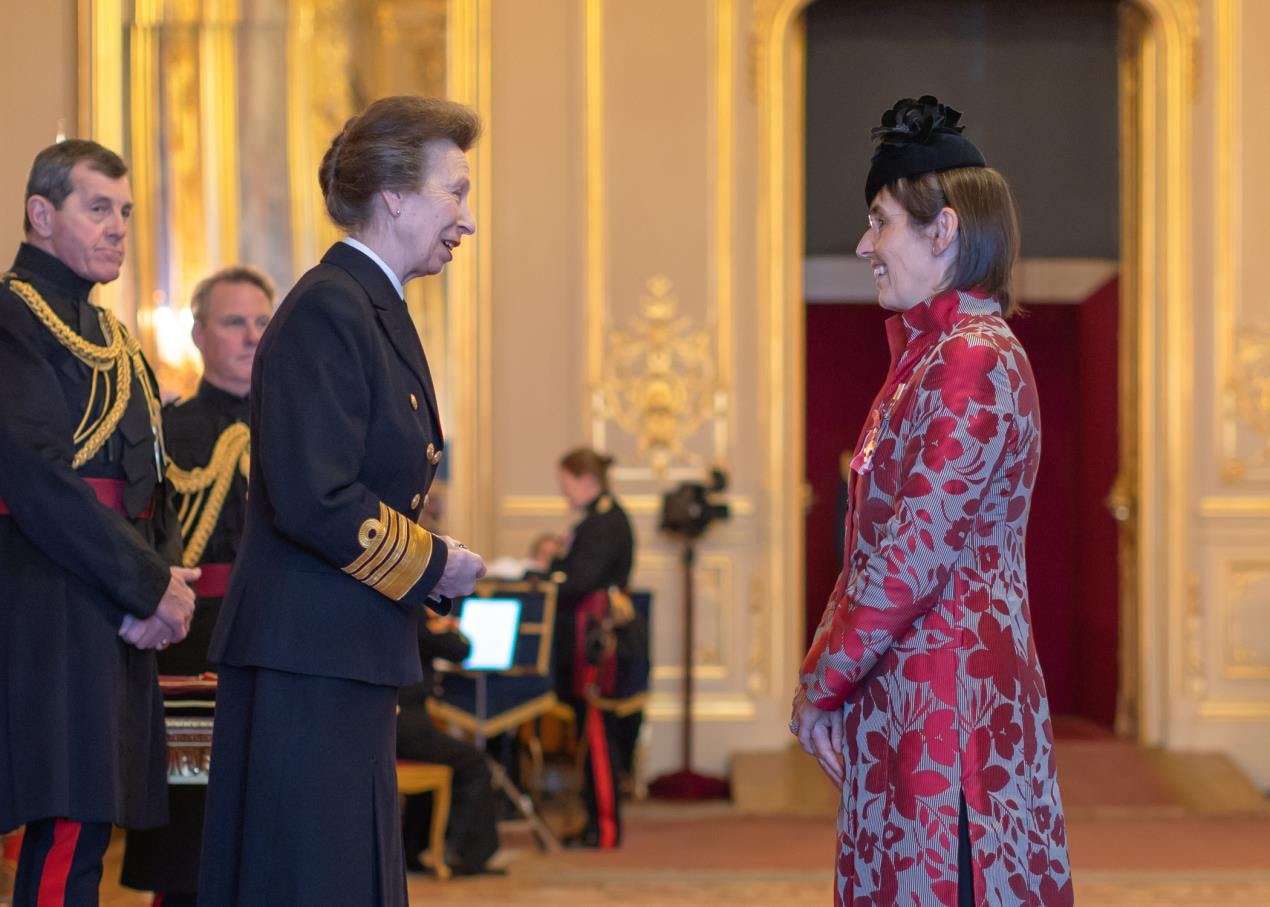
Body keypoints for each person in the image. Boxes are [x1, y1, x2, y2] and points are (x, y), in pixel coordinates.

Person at [198, 96, 488, 907]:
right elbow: (313, 495)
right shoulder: (333, 305)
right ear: (394, 193)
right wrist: (434, 561)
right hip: (306, 657)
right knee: (310, 880)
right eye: (455, 191)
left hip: (338, 649)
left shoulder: (370, 306)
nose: (465, 219)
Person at [789, 96, 1073, 906]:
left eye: (879, 222)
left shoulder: (969, 360)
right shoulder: (932, 355)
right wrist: (828, 677)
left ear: (943, 229)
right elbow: (876, 550)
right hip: (915, 697)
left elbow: (909, 557)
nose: (864, 246)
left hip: (949, 717)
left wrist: (820, 685)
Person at [0, 139, 198, 905]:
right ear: (40, 214)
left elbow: (155, 478)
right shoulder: (13, 319)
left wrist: (165, 583)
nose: (118, 226)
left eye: (124, 211)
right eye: (97, 208)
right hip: (50, 597)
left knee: (90, 828)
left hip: (113, 606)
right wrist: (147, 586)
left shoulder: (113, 337)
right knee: (66, 828)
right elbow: (40, 479)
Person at [120, 265, 275, 905]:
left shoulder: (297, 426)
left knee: (275, 820)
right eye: (233, 322)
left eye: (262, 323)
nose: (250, 337)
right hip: (192, 646)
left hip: (279, 646)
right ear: (198, 332)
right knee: (191, 829)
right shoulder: (165, 430)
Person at [549, 447, 635, 848]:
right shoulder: (596, 519)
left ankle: (604, 826)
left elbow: (579, 579)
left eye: (566, 483)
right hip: (584, 638)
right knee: (591, 731)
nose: (564, 492)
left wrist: (548, 576)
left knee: (599, 733)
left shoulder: (605, 523)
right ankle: (593, 821)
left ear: (585, 480)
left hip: (595, 642)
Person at [397, 614, 501, 876]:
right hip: (407, 722)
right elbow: (460, 650)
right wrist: (446, 626)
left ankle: (413, 850)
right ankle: (467, 853)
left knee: (440, 759)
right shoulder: (416, 614)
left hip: (389, 720)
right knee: (473, 762)